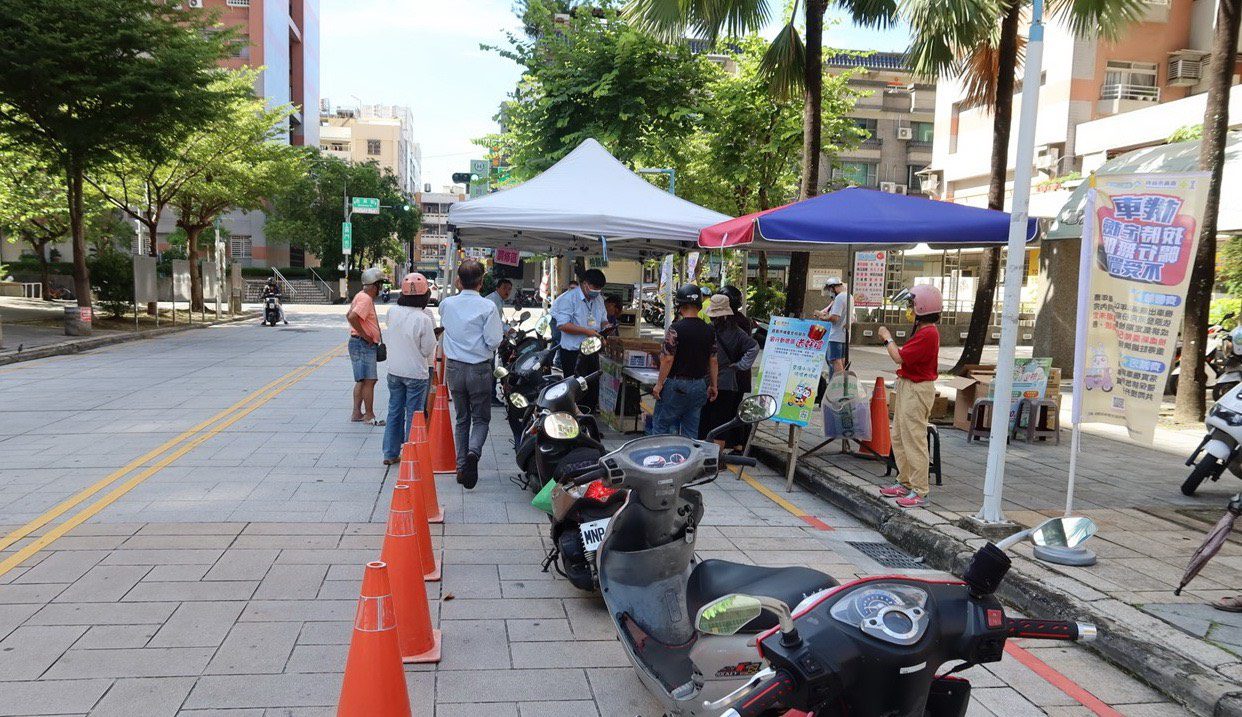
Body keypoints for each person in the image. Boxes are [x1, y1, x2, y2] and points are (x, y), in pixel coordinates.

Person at [438, 259, 504, 488]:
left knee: (461, 418)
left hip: (454, 369)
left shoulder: (446, 304)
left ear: (458, 280)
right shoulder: (488, 307)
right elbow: (494, 340)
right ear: (481, 281)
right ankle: (473, 453)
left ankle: (460, 467)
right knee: (481, 418)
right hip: (478, 369)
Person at [877, 284, 943, 509]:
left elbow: (898, 357)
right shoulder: (923, 331)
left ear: (922, 308)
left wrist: (887, 337)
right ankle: (905, 482)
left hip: (918, 389)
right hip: (908, 385)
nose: (908, 309)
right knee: (900, 436)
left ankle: (920, 490)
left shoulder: (928, 333)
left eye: (911, 305)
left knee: (914, 439)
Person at [382, 273, 437, 466]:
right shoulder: (423, 319)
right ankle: (410, 454)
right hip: (415, 373)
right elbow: (427, 349)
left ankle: (389, 453)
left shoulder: (392, 311)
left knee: (394, 410)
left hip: (394, 371)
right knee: (414, 414)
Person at [653, 285, 719, 438]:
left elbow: (668, 359)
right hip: (699, 385)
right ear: (699, 305)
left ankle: (659, 460)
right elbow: (713, 360)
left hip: (676, 385)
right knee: (691, 432)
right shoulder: (710, 330)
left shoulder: (675, 329)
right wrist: (713, 385)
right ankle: (688, 461)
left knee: (661, 427)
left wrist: (659, 384)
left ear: (680, 305)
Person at [698, 294, 758, 450]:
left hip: (712, 382)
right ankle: (715, 459)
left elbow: (754, 347)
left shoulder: (710, 331)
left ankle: (708, 458)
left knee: (708, 421)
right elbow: (753, 347)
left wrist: (740, 365)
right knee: (719, 423)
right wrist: (741, 365)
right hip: (725, 382)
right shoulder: (736, 331)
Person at [551, 269, 608, 409]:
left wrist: (607, 329)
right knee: (575, 391)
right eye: (594, 287)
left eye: (599, 288)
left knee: (592, 390)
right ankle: (575, 420)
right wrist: (587, 332)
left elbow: (603, 320)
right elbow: (563, 325)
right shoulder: (568, 299)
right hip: (573, 353)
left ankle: (588, 422)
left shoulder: (598, 299)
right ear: (584, 284)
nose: (597, 291)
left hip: (592, 351)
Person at [347, 267, 386, 426]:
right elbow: (352, 316)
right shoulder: (366, 299)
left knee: (362, 380)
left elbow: (348, 315)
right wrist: (366, 335)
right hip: (363, 344)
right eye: (380, 285)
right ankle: (369, 415)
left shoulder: (359, 296)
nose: (381, 289)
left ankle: (357, 412)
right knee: (370, 380)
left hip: (358, 343)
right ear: (374, 285)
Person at [814, 278, 849, 378]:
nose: (830, 292)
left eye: (830, 289)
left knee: (835, 360)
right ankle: (841, 385)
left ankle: (837, 385)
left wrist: (823, 317)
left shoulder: (839, 298)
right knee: (841, 359)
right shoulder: (848, 296)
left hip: (836, 335)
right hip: (844, 335)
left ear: (834, 288)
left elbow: (835, 317)